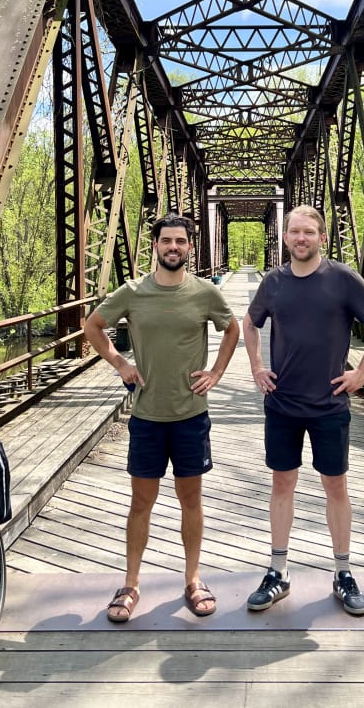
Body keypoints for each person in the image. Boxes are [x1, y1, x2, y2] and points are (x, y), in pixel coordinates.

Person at [84, 212, 239, 622]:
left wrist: (217, 373)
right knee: (141, 502)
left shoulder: (205, 293)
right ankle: (131, 584)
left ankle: (192, 579)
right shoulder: (132, 292)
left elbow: (232, 329)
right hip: (148, 416)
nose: (174, 247)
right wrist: (120, 363)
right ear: (154, 246)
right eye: (166, 241)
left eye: (181, 241)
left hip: (191, 414)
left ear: (190, 246)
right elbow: (93, 326)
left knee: (191, 499)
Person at [242, 204, 364, 616]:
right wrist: (257, 365)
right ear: (286, 237)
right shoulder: (274, 282)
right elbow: (250, 323)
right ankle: (278, 572)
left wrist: (362, 372)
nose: (301, 238)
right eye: (295, 232)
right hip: (283, 403)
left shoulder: (342, 278)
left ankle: (343, 573)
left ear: (322, 237)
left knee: (336, 487)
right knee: (282, 485)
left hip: (329, 404)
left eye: (309, 232)